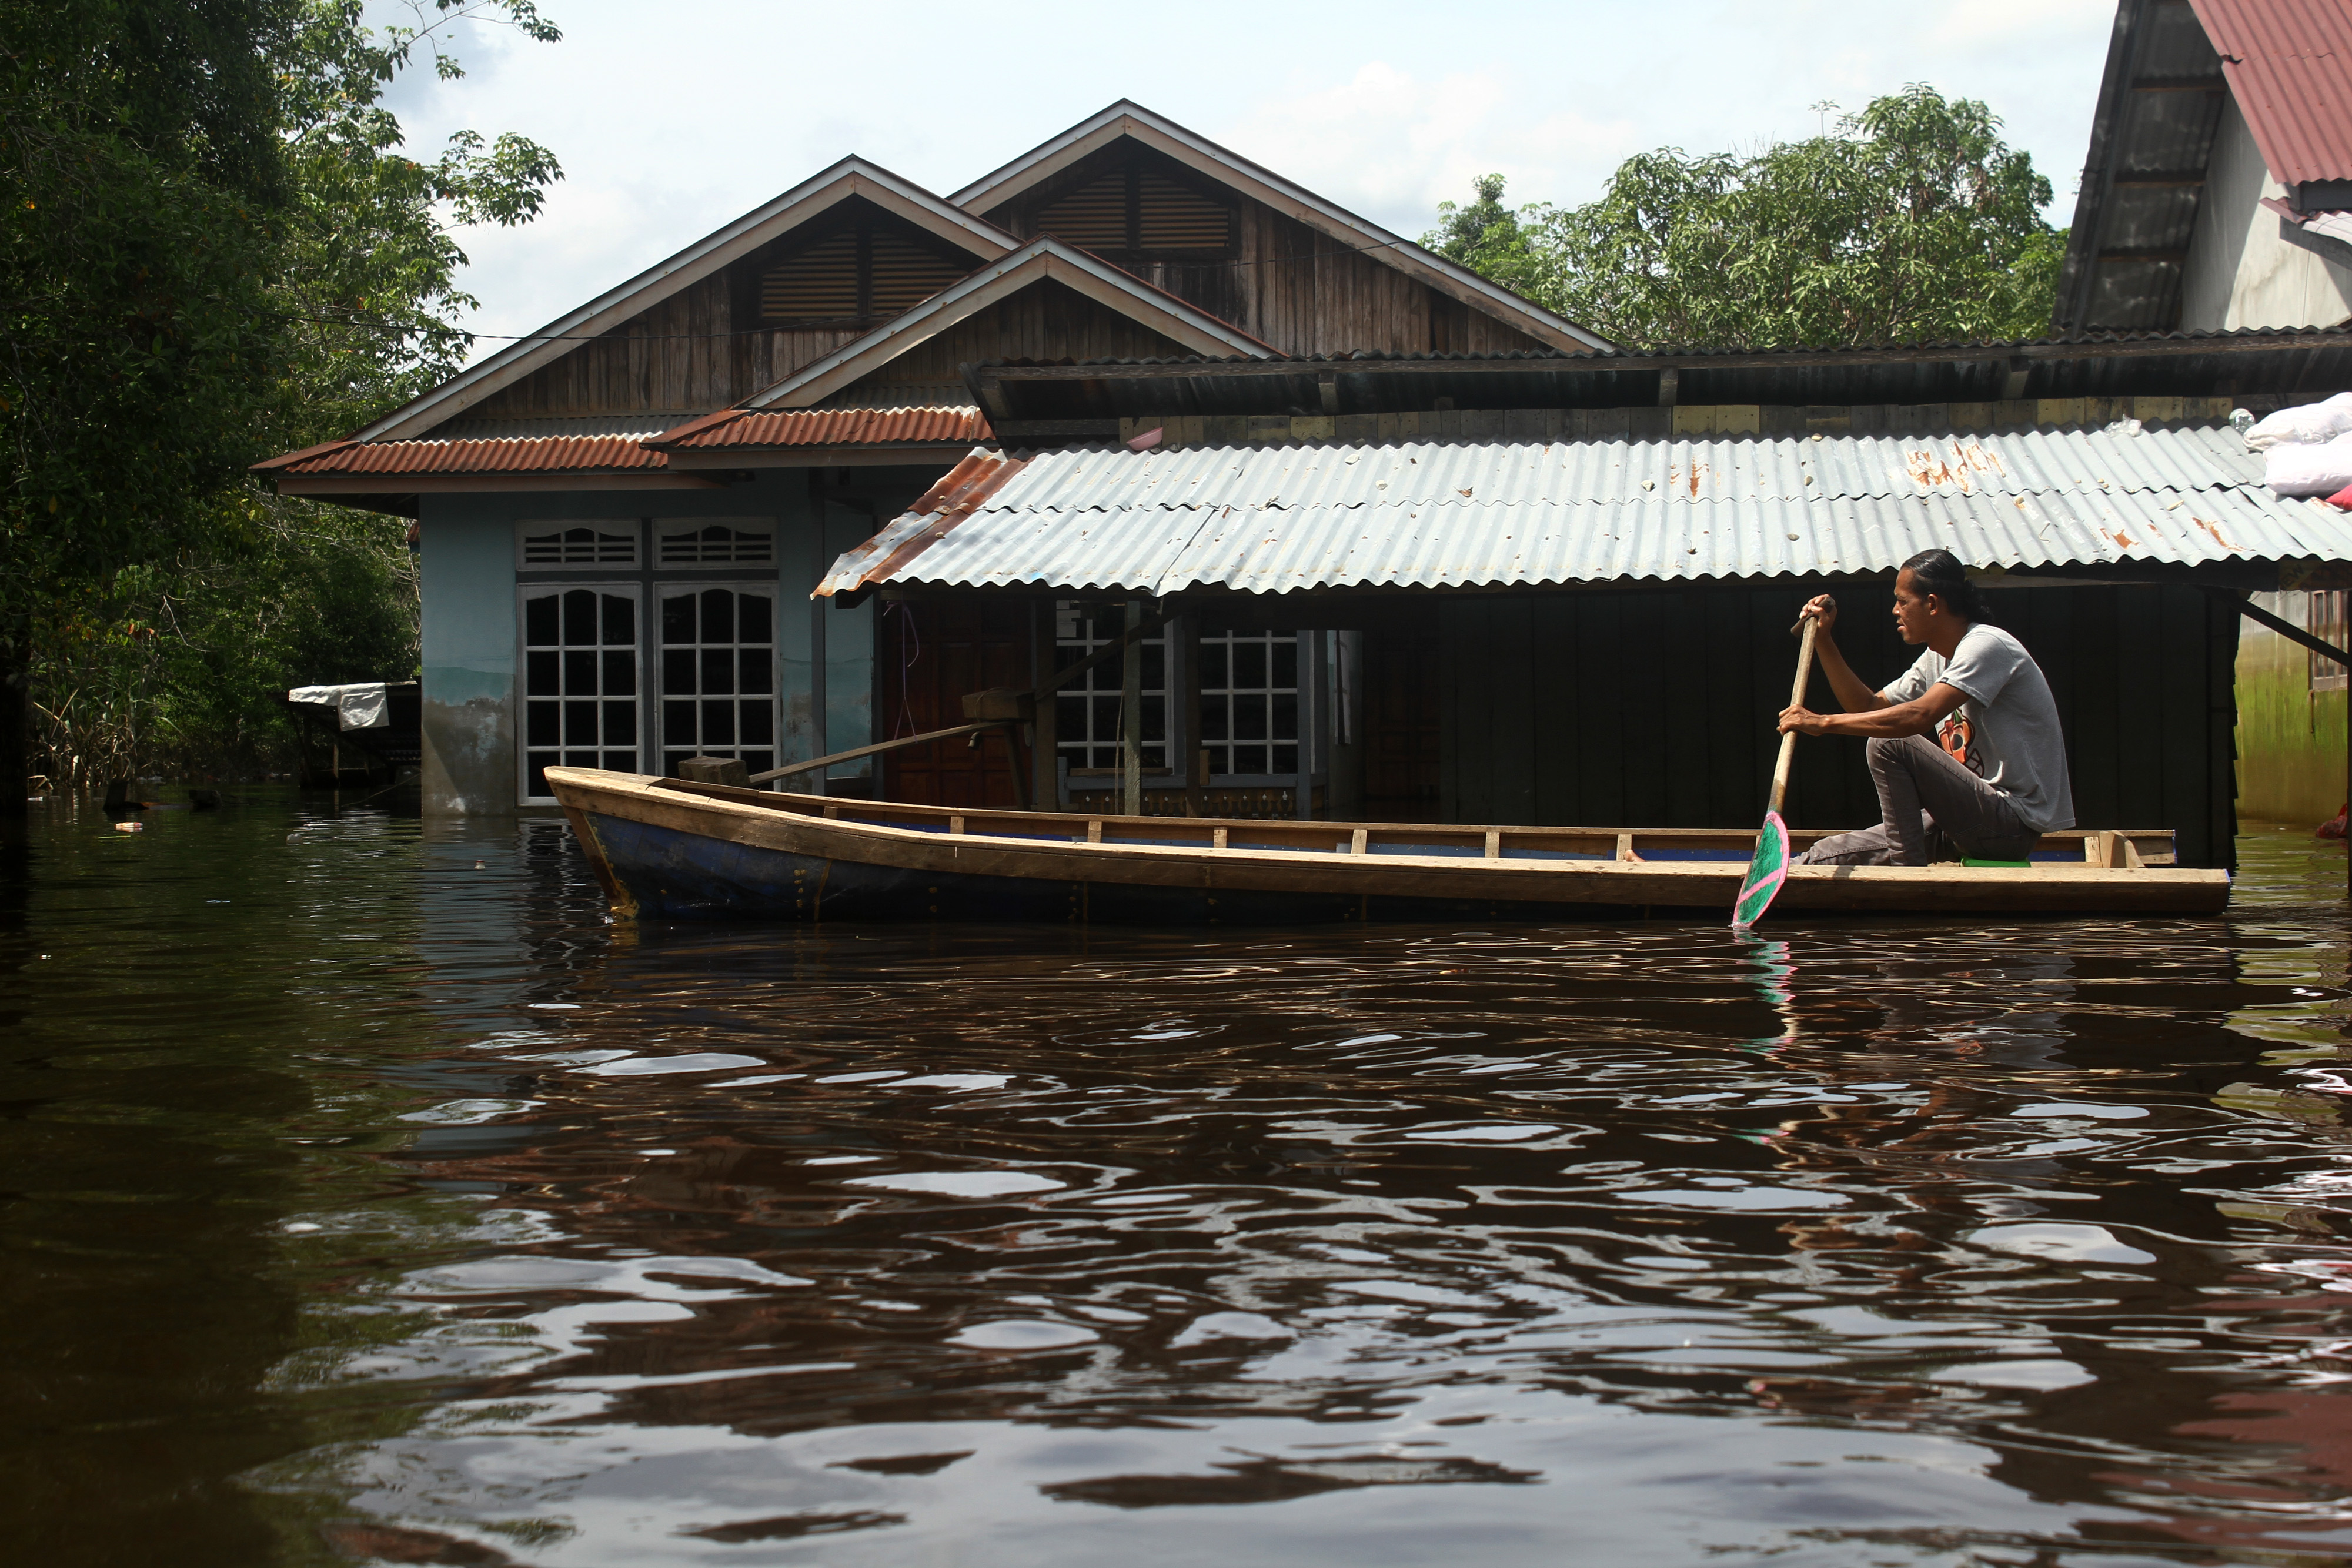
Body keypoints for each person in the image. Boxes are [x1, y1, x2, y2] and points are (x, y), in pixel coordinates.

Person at [1779, 549, 2073, 866]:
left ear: (1932, 604)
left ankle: (1907, 876)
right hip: (1965, 821)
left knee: (1888, 743)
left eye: (1902, 601)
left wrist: (1823, 723)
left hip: (2010, 824)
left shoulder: (1988, 645)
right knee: (1825, 857)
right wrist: (1824, 640)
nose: (1895, 610)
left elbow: (1919, 716)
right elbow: (1866, 706)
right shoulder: (1938, 659)